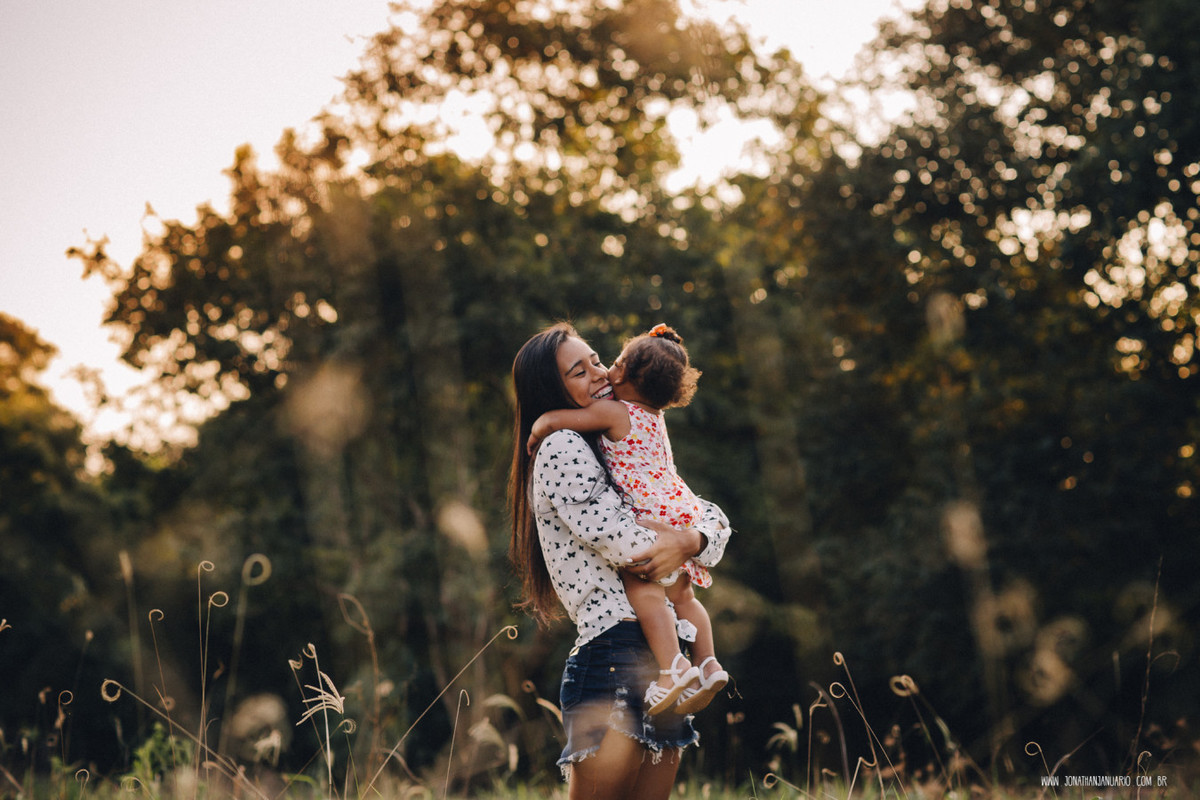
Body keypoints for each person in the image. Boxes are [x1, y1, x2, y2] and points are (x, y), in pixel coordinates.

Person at [509, 322, 732, 800]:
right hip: (617, 650)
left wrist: (691, 539)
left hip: (663, 658)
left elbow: (709, 519)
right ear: (552, 390)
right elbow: (625, 545)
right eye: (579, 371)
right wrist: (686, 542)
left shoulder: (621, 436)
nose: (598, 373)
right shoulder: (562, 445)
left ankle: (701, 663)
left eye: (596, 359)